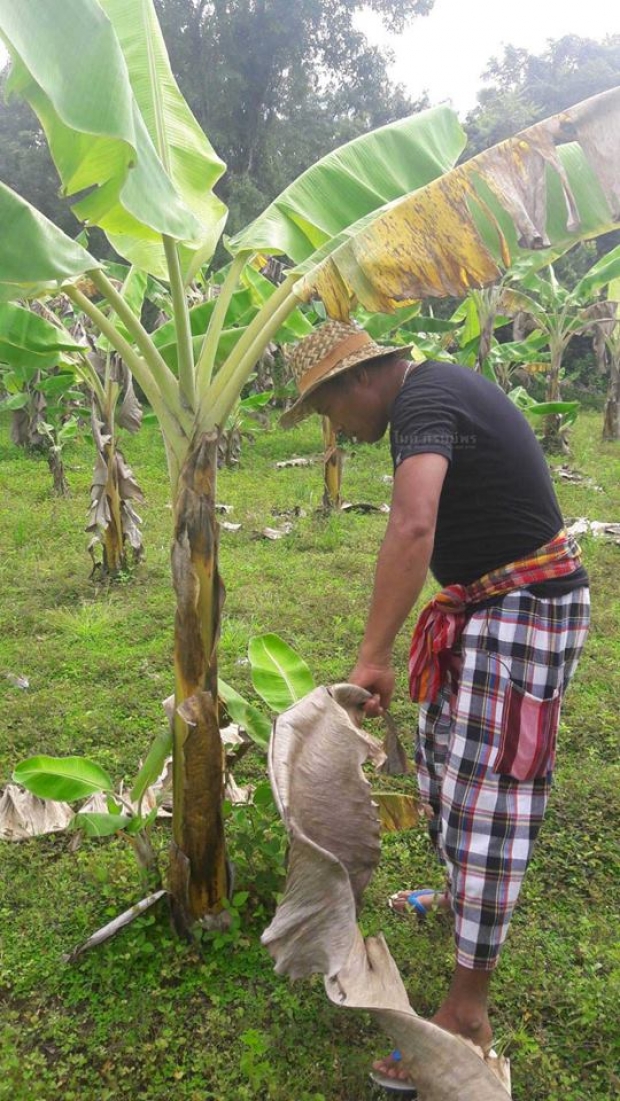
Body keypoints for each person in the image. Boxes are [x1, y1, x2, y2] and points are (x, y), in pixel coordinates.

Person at [281, 319, 590, 1084]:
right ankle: (460, 899)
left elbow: (414, 522)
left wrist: (373, 655)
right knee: (448, 757)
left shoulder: (421, 402)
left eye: (328, 408)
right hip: (485, 603)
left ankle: (467, 1010)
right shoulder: (429, 394)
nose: (335, 428)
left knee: (491, 796)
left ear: (357, 381)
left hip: (526, 608)